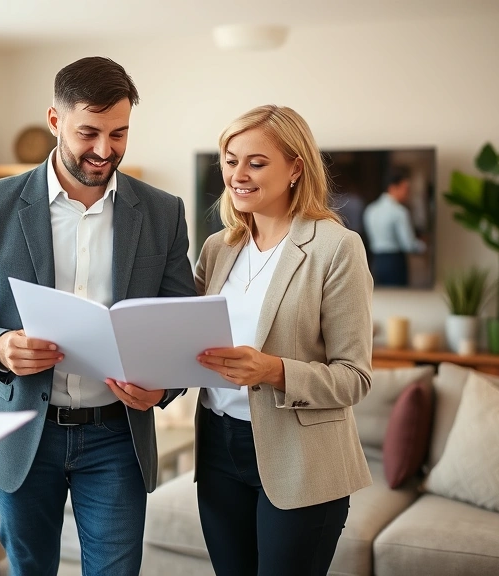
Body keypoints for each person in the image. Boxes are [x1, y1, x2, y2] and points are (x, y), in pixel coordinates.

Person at [0, 56, 195, 575]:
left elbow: (180, 327)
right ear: (55, 121)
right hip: (23, 433)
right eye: (89, 132)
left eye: (119, 133)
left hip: (117, 438)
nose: (105, 150)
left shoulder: (163, 212)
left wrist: (163, 389)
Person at [192, 105, 373, 576]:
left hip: (301, 458)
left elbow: (354, 378)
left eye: (256, 162)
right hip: (217, 447)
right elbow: (181, 331)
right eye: (231, 160)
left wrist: (273, 370)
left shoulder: (336, 247)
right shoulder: (218, 247)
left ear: (296, 167)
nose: (238, 174)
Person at [363, 168, 426, 286]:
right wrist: (424, 246)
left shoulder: (370, 210)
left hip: (376, 262)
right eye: (405, 189)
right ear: (392, 187)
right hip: (395, 262)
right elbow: (408, 245)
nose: (408, 193)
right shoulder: (400, 212)